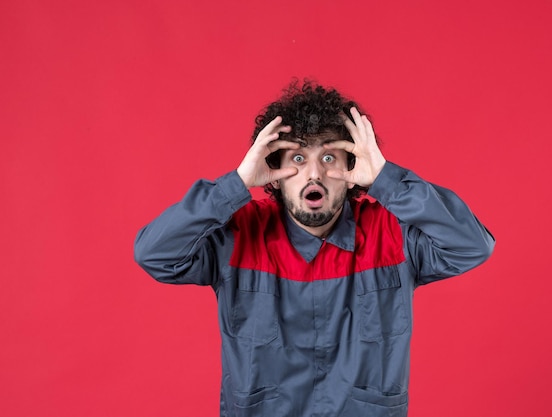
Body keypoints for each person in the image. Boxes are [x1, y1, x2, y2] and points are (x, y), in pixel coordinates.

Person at [134, 80, 495, 417]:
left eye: (328, 158)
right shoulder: (239, 234)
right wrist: (236, 184)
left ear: (353, 167)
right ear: (271, 170)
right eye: (297, 158)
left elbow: (471, 245)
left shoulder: (393, 235)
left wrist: (389, 181)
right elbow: (155, 254)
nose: (313, 175)